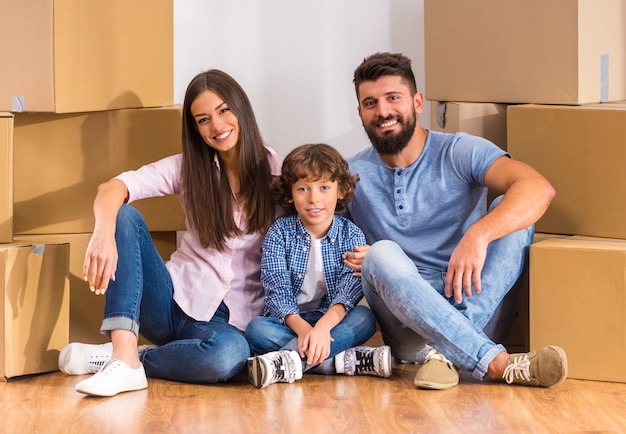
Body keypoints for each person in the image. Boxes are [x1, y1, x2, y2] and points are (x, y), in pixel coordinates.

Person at [342, 52, 567, 390]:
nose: (383, 111)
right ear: (360, 113)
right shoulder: (349, 175)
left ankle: (450, 352)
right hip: (408, 329)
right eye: (370, 103)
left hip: (473, 302)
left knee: (514, 210)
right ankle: (495, 362)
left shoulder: (459, 151)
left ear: (417, 102)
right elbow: (314, 233)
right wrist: (356, 254)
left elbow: (539, 189)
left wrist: (479, 234)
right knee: (380, 253)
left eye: (393, 98)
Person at [57, 69, 283, 397]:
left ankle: (129, 358)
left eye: (223, 111)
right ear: (194, 128)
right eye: (203, 119)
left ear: (240, 108)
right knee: (124, 215)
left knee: (228, 357)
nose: (217, 126)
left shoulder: (278, 171)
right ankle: (123, 353)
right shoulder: (186, 168)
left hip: (227, 325)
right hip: (169, 302)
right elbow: (113, 187)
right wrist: (102, 234)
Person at [245, 143, 391, 389]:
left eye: (324, 187)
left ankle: (288, 361)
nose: (314, 199)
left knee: (365, 318)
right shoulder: (278, 233)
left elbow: (348, 294)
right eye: (303, 189)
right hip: (290, 323)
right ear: (290, 194)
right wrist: (304, 331)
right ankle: (341, 361)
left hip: (332, 321)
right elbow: (277, 293)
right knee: (256, 330)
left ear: (341, 191)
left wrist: (322, 329)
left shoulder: (352, 235)